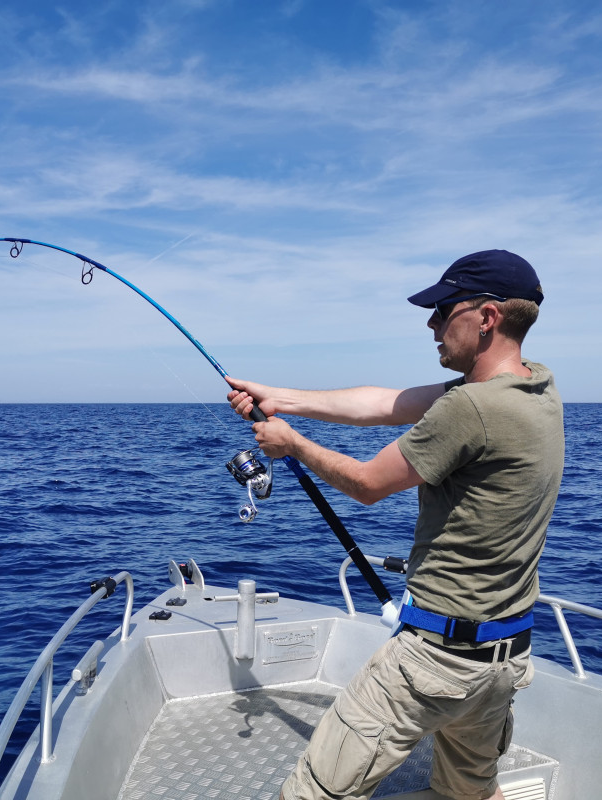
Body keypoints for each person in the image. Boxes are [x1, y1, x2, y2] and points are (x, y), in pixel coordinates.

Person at [227, 249, 565, 800]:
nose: (431, 323)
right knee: (471, 793)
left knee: (312, 793)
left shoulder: (469, 410)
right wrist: (279, 398)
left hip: (434, 661)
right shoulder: (537, 388)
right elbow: (383, 403)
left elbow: (366, 485)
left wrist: (291, 444)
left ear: (486, 317)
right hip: (503, 659)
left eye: (443, 309)